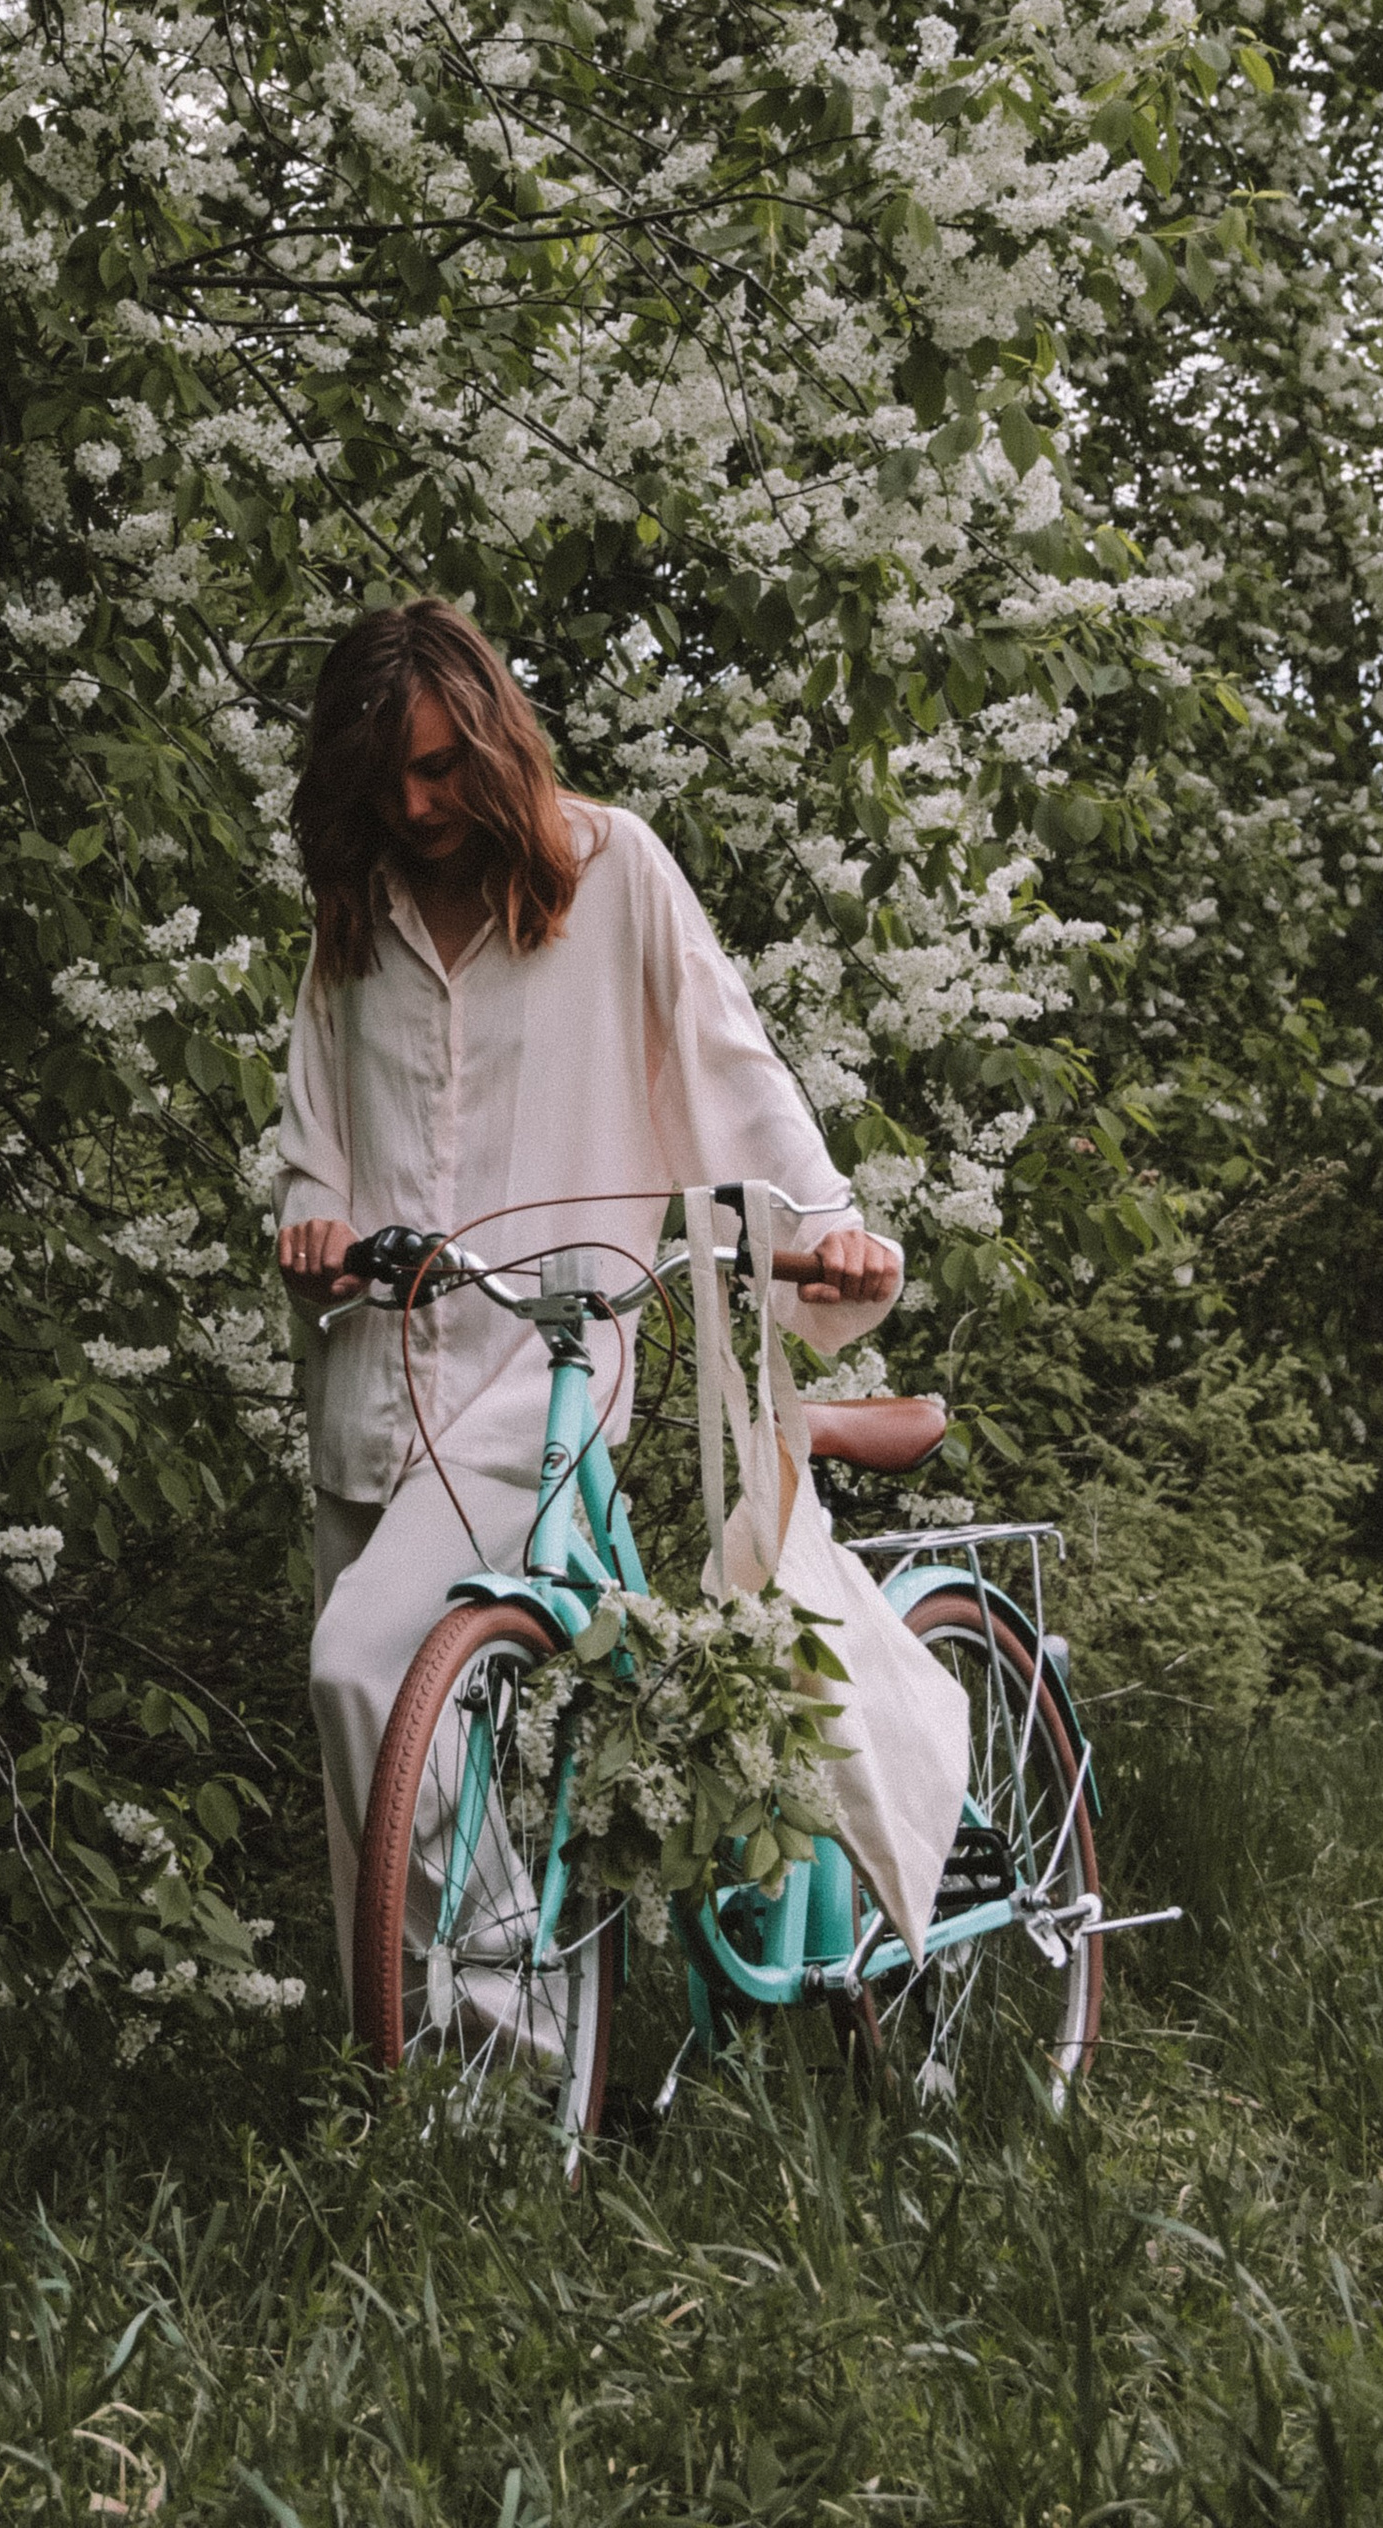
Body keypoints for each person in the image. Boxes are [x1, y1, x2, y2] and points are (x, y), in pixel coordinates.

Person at [274, 596, 904, 1996]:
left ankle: (519, 2048)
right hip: (369, 1373)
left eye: (441, 767)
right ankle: (427, 2074)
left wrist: (829, 1235)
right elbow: (313, 1128)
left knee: (365, 1671)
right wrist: (311, 1224)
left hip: (534, 1376)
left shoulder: (609, 871)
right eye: (385, 776)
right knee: (384, 1764)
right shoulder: (351, 914)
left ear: (496, 743)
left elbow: (726, 1064)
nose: (417, 801)